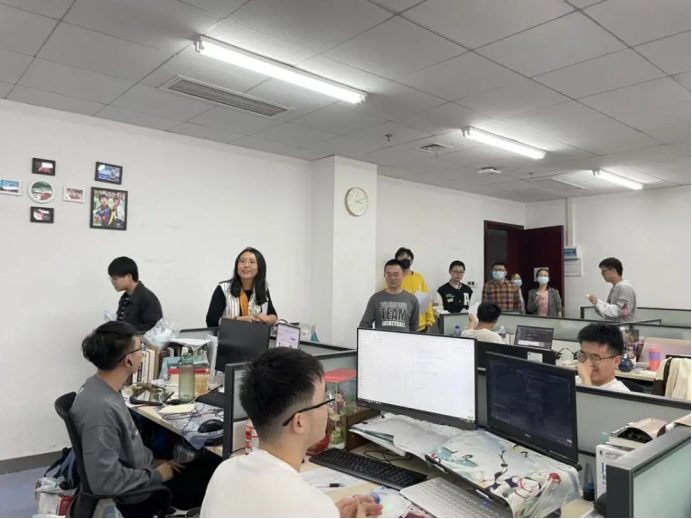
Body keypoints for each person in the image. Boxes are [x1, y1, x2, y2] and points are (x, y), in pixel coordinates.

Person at [201, 348, 383, 518]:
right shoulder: (312, 507)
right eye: (323, 400)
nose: (328, 409)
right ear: (299, 422)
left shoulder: (223, 471)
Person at [73, 322, 187, 517]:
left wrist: (153, 463)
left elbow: (125, 450)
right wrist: (157, 474)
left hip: (140, 473)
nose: (143, 353)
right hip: (135, 496)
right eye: (140, 349)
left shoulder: (99, 387)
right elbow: (106, 481)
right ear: (128, 361)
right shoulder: (101, 410)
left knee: (193, 465)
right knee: (209, 476)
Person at [206, 248, 278, 327]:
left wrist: (269, 319)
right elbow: (211, 320)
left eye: (252, 262)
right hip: (230, 334)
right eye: (242, 261)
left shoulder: (262, 289)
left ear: (260, 267)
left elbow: (273, 315)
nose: (246, 265)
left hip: (256, 334)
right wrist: (238, 320)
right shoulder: (223, 288)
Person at [360, 260, 420, 333]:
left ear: (403, 275)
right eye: (389, 275)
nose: (392, 278)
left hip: (403, 340)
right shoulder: (375, 298)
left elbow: (414, 327)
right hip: (381, 340)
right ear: (384, 275)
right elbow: (365, 325)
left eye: (396, 275)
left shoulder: (412, 300)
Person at [108, 257, 163, 332]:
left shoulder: (147, 298)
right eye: (111, 279)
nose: (112, 282)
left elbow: (154, 328)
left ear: (129, 276)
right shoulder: (125, 298)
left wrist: (126, 331)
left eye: (115, 279)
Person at [576, 323, 630, 392]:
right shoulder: (571, 382)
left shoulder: (621, 394)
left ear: (616, 361)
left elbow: (587, 399)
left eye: (595, 357)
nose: (587, 363)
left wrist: (586, 378)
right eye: (583, 355)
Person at [395, 248, 435, 333]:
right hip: (401, 325)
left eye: (407, 257)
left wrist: (429, 320)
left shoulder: (418, 277)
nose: (405, 259)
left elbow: (426, 299)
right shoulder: (394, 278)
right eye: (402, 257)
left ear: (412, 260)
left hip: (420, 325)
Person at [589, 258, 638, 322]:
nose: (602, 274)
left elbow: (623, 311)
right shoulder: (615, 288)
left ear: (613, 271)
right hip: (613, 326)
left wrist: (599, 303)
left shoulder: (625, 288)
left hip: (623, 327)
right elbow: (608, 313)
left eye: (604, 271)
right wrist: (597, 305)